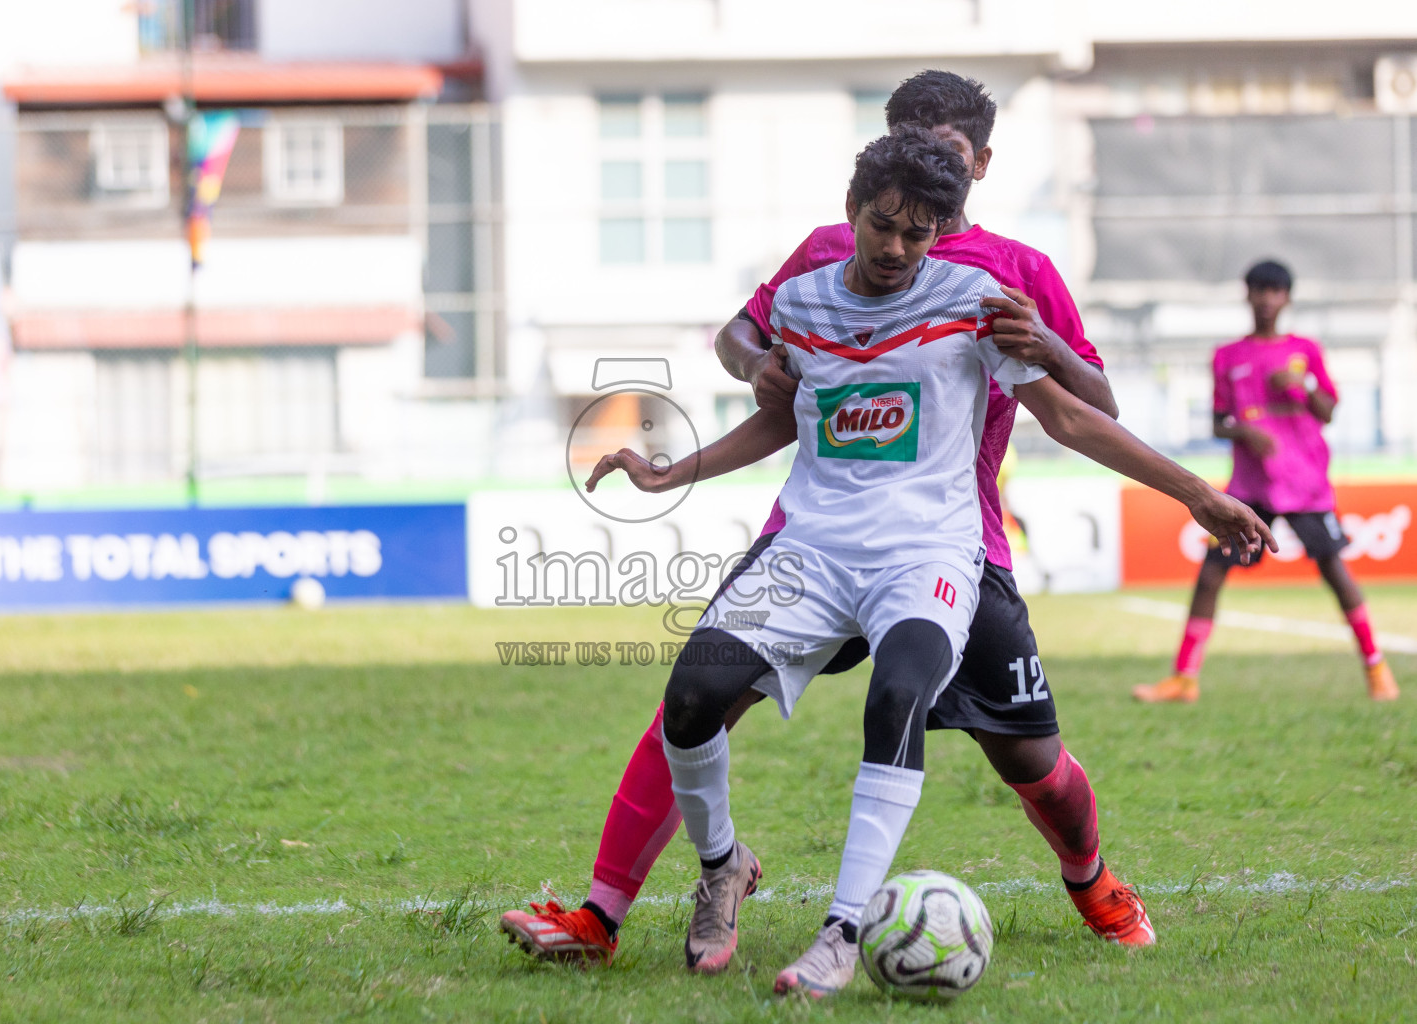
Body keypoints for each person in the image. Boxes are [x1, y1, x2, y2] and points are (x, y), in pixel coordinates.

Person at [577, 127, 1273, 997]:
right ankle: (722, 864)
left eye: (918, 234)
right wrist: (673, 472)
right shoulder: (802, 303)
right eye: (883, 226)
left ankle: (841, 932)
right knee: (691, 697)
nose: (898, 248)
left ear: (943, 230)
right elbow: (785, 417)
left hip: (928, 553)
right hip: (813, 549)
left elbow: (1071, 416)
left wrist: (1195, 493)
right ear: (852, 213)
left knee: (899, 695)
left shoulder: (978, 301)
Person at [500, 70, 1155, 971]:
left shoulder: (1016, 273)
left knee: (1031, 757)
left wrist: (1044, 343)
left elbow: (1092, 402)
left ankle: (1090, 880)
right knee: (695, 701)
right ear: (866, 184)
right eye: (897, 183)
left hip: (953, 540)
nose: (907, 225)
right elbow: (739, 341)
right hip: (812, 533)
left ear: (981, 166)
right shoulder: (820, 253)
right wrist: (759, 361)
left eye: (947, 167)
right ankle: (605, 912)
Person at [1134, 260, 1400, 704]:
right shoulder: (1227, 356)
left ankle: (1377, 669)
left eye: (1275, 291)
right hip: (1250, 488)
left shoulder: (1306, 350)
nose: (1266, 299)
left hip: (1305, 483)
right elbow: (1219, 423)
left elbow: (1327, 411)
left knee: (1335, 571)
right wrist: (1245, 431)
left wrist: (1301, 385)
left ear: (1287, 298)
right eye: (1259, 290)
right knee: (1212, 572)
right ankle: (1184, 679)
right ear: (1248, 294)